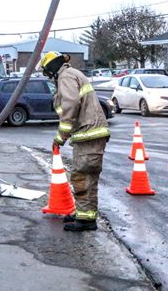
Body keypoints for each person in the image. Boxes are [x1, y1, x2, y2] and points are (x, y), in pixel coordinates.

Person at [38, 51, 110, 232]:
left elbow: (70, 105)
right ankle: (84, 214)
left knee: (82, 176)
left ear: (51, 67)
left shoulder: (66, 76)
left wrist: (61, 136)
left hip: (88, 135)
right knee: (87, 177)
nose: (47, 76)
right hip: (91, 135)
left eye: (46, 71)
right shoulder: (72, 74)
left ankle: (86, 220)